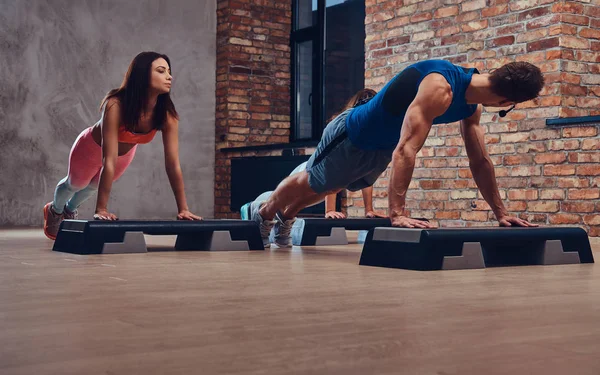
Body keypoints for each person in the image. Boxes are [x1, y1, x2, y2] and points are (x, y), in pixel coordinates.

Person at [249, 59, 545, 247]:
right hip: (352, 133)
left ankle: (287, 216)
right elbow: (406, 149)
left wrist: (501, 214)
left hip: (378, 146)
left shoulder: (472, 105)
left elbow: (479, 160)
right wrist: (397, 214)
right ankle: (263, 214)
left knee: (333, 185)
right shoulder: (440, 87)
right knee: (312, 180)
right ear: (506, 100)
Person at [43, 52, 201, 240]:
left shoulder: (167, 115)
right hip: (91, 147)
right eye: (161, 71)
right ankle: (55, 209)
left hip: (124, 154)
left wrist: (183, 209)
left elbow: (173, 164)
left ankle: (70, 210)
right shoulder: (116, 104)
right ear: (142, 75)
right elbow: (108, 159)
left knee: (92, 187)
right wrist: (101, 209)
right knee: (76, 184)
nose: (169, 76)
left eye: (169, 71)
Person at [240, 89, 385, 247]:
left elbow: (363, 174)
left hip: (328, 176)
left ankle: (283, 221)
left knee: (320, 192)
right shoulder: (345, 123)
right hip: (311, 169)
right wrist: (329, 211)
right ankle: (260, 208)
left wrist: (369, 209)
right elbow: (333, 169)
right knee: (322, 187)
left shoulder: (369, 135)